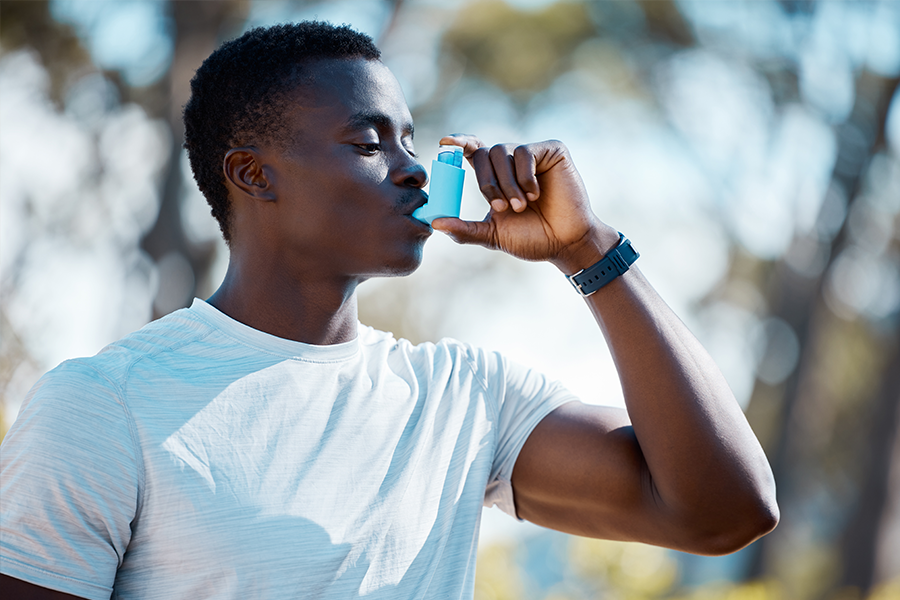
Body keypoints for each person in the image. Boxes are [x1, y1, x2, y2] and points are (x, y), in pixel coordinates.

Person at [0, 21, 778, 600]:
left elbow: (724, 512)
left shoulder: (465, 397)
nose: (413, 172)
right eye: (370, 144)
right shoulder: (104, 405)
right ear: (253, 175)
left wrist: (589, 250)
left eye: (410, 142)